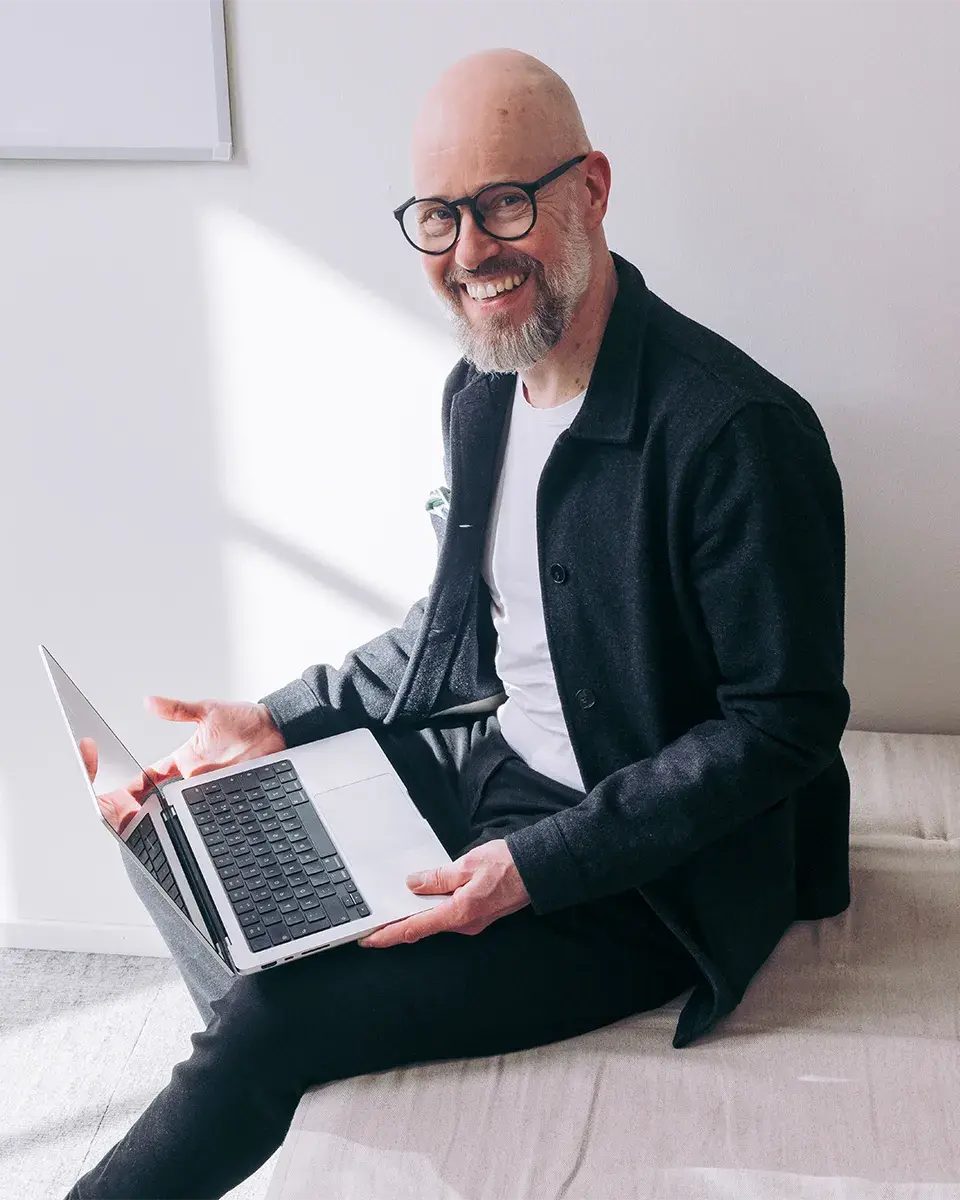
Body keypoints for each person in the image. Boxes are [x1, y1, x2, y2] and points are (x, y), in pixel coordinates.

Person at [66, 46, 851, 1200]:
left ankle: (281, 1045)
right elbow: (461, 627)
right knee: (178, 827)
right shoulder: (482, 390)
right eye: (439, 216)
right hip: (489, 771)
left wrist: (536, 866)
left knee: (273, 1021)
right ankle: (297, 1041)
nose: (471, 251)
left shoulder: (737, 432)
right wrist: (275, 719)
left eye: (506, 203)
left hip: (636, 875)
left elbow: (782, 726)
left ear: (592, 189)